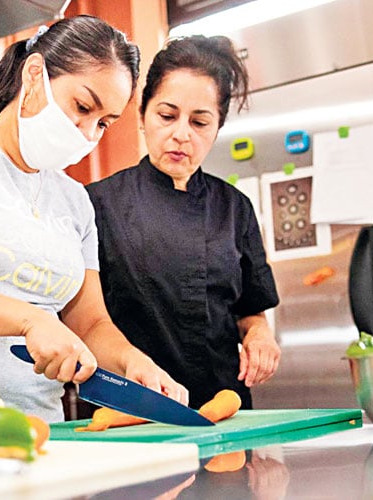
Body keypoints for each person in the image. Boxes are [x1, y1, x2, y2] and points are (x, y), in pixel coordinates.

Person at [0, 15, 189, 445]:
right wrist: (29, 320)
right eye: (83, 107)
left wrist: (131, 362)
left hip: (41, 433)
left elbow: (90, 323)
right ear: (35, 74)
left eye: (104, 123)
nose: (88, 132)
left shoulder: (75, 200)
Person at [86, 35, 280, 410]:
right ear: (142, 115)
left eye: (200, 122)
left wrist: (259, 335)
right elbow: (86, 320)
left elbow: (250, 310)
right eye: (167, 116)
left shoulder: (234, 208)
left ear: (217, 128)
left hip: (223, 405)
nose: (181, 134)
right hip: (132, 408)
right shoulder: (98, 204)